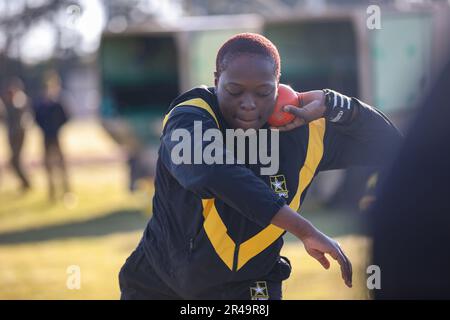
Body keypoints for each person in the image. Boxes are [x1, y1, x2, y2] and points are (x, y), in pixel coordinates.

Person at [119, 33, 402, 300]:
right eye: (234, 90)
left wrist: (332, 103)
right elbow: (213, 172)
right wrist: (304, 230)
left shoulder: (304, 130)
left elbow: (390, 144)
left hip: (251, 288)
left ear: (279, 86)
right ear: (217, 80)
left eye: (264, 92)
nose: (248, 104)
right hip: (159, 284)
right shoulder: (191, 113)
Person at [33, 71, 70, 201]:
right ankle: (52, 192)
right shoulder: (40, 105)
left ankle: (66, 190)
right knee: (48, 166)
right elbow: (36, 118)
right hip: (46, 137)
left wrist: (56, 128)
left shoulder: (58, 104)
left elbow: (66, 117)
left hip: (56, 136)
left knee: (61, 164)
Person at [1, 77, 32, 191]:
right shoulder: (10, 101)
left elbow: (20, 112)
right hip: (12, 134)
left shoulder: (20, 99)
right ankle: (25, 183)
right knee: (15, 160)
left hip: (18, 134)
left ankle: (26, 183)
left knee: (15, 160)